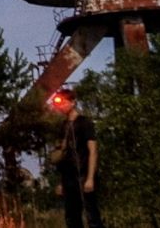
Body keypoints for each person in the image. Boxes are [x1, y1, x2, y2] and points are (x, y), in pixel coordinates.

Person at [52, 87, 105, 228]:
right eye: (58, 103)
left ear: (73, 102)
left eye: (63, 102)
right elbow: (61, 156)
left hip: (83, 175)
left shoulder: (84, 122)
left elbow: (93, 151)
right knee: (72, 217)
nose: (61, 106)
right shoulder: (63, 126)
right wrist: (61, 182)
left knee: (92, 216)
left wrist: (90, 178)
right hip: (68, 178)